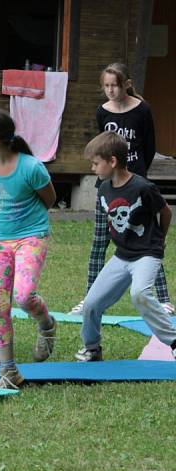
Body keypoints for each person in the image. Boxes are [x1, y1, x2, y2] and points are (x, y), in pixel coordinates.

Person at [0, 109, 58, 389]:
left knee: (24, 295)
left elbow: (49, 199)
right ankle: (9, 370)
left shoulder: (31, 167)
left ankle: (47, 325)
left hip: (32, 236)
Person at [70, 63, 172, 315]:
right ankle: (90, 297)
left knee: (147, 241)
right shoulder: (102, 111)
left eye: (114, 85)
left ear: (126, 84)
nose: (110, 90)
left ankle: (164, 299)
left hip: (135, 182)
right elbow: (101, 146)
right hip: (109, 185)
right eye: (105, 86)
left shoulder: (142, 109)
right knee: (99, 243)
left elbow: (149, 145)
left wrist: (138, 176)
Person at [75, 131, 176, 361]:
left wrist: (159, 239)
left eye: (95, 163)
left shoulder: (142, 187)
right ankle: (92, 347)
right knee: (91, 302)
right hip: (121, 256)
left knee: (140, 293)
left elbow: (165, 211)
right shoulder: (103, 189)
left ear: (112, 161)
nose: (93, 168)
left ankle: (174, 340)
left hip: (146, 255)